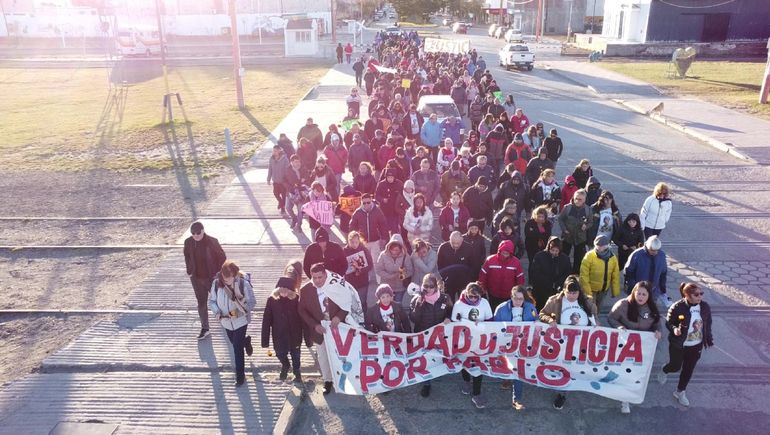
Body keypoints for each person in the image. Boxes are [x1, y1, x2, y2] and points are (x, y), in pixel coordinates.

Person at [539, 276, 599, 410]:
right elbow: (542, 314)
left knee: (573, 367)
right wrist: (549, 320)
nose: (572, 296)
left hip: (581, 343)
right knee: (563, 368)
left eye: (575, 293)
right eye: (569, 292)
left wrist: (596, 324)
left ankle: (569, 386)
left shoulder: (587, 302)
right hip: (561, 343)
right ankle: (562, 394)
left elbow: (594, 317)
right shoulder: (555, 301)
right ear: (564, 290)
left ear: (579, 292)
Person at [298, 264, 356, 395]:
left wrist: (339, 317)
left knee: (341, 354)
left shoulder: (337, 285)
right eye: (314, 278)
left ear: (325, 275)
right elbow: (302, 310)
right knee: (323, 356)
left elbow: (347, 303)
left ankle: (345, 379)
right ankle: (328, 381)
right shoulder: (305, 290)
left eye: (320, 277)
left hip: (338, 327)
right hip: (320, 329)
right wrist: (314, 325)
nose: (317, 280)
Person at [608, 281, 662, 414]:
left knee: (634, 374)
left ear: (649, 296)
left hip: (641, 347)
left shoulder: (652, 309)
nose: (641, 297)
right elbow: (611, 318)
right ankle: (621, 395)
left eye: (644, 294)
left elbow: (657, 324)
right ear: (634, 292)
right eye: (638, 293)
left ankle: (626, 399)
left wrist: (658, 331)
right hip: (624, 345)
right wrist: (618, 327)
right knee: (622, 371)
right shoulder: (623, 304)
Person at [658, 282, 713, 407]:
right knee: (675, 366)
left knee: (688, 369)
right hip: (679, 344)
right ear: (686, 295)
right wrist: (674, 329)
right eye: (696, 294)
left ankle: (680, 392)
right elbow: (669, 322)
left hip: (696, 345)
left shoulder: (704, 307)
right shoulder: (677, 307)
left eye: (701, 294)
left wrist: (708, 338)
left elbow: (708, 323)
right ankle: (665, 369)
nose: (700, 297)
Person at [208, 260, 256, 387]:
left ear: (235, 276)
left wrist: (240, 311)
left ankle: (240, 376)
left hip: (241, 322)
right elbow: (212, 301)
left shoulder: (243, 284)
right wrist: (217, 312)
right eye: (224, 279)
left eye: (228, 279)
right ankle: (246, 342)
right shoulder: (216, 284)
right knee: (235, 342)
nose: (226, 282)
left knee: (236, 349)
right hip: (225, 322)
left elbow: (252, 302)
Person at [493, 285, 538, 409]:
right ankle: (508, 379)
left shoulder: (531, 308)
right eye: (516, 299)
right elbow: (495, 327)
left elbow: (537, 321)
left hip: (522, 344)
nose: (518, 302)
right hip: (506, 344)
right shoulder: (501, 309)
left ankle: (516, 399)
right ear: (511, 297)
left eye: (521, 299)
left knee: (518, 370)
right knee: (507, 366)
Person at [410, 273, 453, 397]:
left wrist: (448, 318)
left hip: (439, 335)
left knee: (437, 357)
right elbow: (413, 319)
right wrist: (419, 303)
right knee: (426, 360)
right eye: (425, 286)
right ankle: (426, 384)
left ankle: (438, 371)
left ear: (436, 286)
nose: (427, 289)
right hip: (423, 334)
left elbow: (451, 310)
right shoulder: (417, 299)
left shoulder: (445, 298)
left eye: (430, 286)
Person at [452, 282, 493, 409]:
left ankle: (476, 394)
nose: (474, 299)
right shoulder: (459, 305)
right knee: (464, 362)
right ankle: (466, 381)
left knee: (478, 366)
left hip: (480, 340)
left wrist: (481, 323)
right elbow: (454, 322)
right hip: (464, 340)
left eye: (476, 297)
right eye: (471, 297)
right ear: (466, 294)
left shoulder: (485, 303)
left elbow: (490, 320)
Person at [184, 221, 227, 340]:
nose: (196, 235)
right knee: (201, 303)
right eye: (193, 233)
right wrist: (189, 270)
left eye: (198, 233)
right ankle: (205, 328)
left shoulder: (212, 241)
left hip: (212, 278)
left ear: (203, 230)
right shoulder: (188, 242)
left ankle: (224, 318)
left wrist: (218, 273)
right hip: (196, 279)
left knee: (218, 299)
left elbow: (222, 257)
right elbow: (187, 256)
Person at [262, 276, 303, 382]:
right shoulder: (272, 300)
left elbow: (303, 318)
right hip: (279, 334)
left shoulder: (297, 299)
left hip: (295, 334)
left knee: (296, 355)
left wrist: (308, 338)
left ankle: (297, 372)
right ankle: (285, 365)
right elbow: (266, 320)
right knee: (280, 353)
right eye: (282, 290)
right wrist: (265, 340)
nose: (284, 293)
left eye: (287, 290)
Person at [624, 235, 672, 307]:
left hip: (654, 292)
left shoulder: (661, 255)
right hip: (639, 292)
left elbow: (663, 273)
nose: (655, 252)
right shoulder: (637, 255)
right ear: (647, 246)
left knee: (650, 310)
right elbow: (628, 272)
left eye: (657, 250)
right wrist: (633, 287)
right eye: (652, 250)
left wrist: (662, 289)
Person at [478, 240, 525, 310]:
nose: (505, 253)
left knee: (507, 312)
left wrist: (518, 292)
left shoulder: (516, 262)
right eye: (503, 251)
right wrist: (483, 289)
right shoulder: (490, 260)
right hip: (493, 293)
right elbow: (483, 276)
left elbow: (520, 279)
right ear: (499, 250)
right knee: (493, 311)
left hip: (509, 295)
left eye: (508, 252)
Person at [529, 236, 571, 311]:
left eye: (556, 251)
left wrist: (558, 283)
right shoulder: (539, 256)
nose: (554, 253)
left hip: (556, 290)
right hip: (541, 289)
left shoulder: (565, 259)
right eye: (552, 250)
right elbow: (535, 272)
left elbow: (567, 273)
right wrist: (548, 282)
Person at [579, 235, 621, 310]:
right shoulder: (589, 256)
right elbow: (584, 276)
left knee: (598, 309)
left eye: (603, 245)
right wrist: (588, 293)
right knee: (590, 309)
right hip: (591, 290)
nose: (600, 247)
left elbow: (615, 275)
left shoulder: (612, 257)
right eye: (598, 245)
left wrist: (615, 291)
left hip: (604, 290)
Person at [558, 189, 593, 274]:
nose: (577, 201)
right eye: (576, 198)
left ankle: (575, 274)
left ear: (584, 200)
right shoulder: (567, 208)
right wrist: (564, 229)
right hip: (568, 236)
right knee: (564, 256)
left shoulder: (588, 210)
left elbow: (591, 222)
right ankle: (563, 272)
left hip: (580, 238)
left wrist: (586, 226)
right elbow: (560, 219)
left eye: (580, 199)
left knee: (578, 258)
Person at [349, 193, 389, 266]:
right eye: (364, 203)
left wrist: (384, 238)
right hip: (363, 242)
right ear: (361, 203)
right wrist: (354, 239)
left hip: (375, 241)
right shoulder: (358, 212)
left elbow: (383, 225)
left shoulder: (377, 211)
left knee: (376, 262)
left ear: (371, 201)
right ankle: (367, 277)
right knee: (364, 263)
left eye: (368, 202)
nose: (366, 204)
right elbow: (352, 226)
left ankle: (378, 277)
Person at [375, 234, 414, 307]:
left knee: (397, 306)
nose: (394, 252)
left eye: (396, 250)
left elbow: (410, 270)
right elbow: (378, 269)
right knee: (387, 306)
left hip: (400, 287)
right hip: (386, 287)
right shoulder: (383, 255)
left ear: (400, 248)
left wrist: (403, 274)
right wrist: (389, 276)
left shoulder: (406, 256)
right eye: (392, 249)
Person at [343, 231, 374, 308]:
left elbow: (370, 265)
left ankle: (365, 319)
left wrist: (361, 270)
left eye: (356, 242)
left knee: (362, 302)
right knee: (352, 303)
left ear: (359, 241)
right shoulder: (344, 251)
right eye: (352, 242)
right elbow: (341, 266)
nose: (354, 244)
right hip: (350, 282)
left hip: (362, 281)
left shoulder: (364, 249)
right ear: (348, 241)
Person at [267, 145, 290, 214]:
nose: (274, 152)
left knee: (283, 195)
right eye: (273, 151)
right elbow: (270, 169)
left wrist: (287, 179)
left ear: (279, 151)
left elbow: (287, 170)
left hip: (283, 181)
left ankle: (283, 208)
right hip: (275, 180)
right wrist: (268, 179)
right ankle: (281, 203)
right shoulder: (271, 159)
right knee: (275, 193)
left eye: (275, 151)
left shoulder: (285, 159)